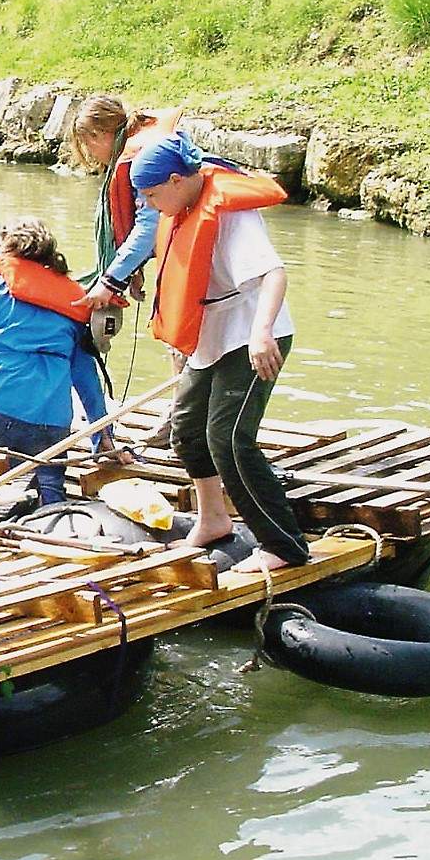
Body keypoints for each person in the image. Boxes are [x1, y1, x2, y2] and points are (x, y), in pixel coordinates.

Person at [131, 131, 310, 574]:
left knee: (229, 438)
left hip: (251, 333)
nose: (151, 205)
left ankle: (283, 545)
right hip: (212, 334)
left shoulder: (232, 215)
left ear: (177, 181)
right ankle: (213, 519)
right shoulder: (185, 206)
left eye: (153, 195)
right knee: (187, 430)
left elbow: (274, 274)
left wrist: (263, 332)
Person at [0, 218, 121, 505]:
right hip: (52, 428)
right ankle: (53, 500)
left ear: (5, 251)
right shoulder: (72, 303)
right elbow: (87, 378)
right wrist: (103, 436)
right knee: (49, 464)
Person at [69, 94, 185, 311]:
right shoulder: (139, 148)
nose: (90, 153)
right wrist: (132, 268)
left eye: (87, 144)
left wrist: (110, 281)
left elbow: (150, 227)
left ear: (99, 135)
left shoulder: (143, 160)